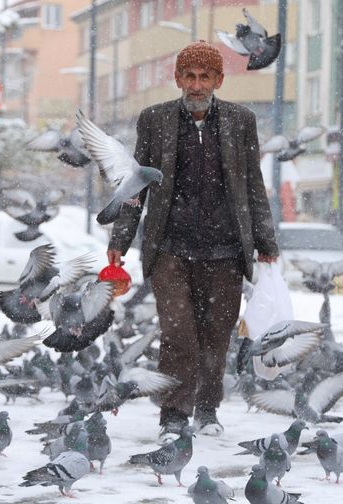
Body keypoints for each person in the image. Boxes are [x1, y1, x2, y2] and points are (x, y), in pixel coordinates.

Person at [106, 40, 279, 443]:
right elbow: (137, 184)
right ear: (178, 78)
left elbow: (253, 184)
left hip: (226, 250)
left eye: (205, 77)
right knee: (179, 334)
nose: (197, 85)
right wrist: (121, 236)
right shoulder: (155, 120)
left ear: (219, 80)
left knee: (215, 338)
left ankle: (206, 408)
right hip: (170, 248)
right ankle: (173, 416)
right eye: (190, 76)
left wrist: (265, 240)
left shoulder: (240, 121)